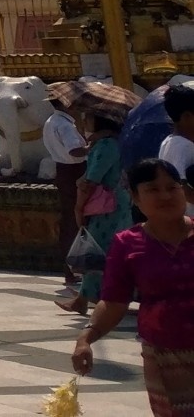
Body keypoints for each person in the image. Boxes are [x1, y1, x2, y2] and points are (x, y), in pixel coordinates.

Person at [75, 157, 194, 411]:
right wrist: (86, 338)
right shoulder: (127, 244)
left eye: (172, 187)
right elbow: (114, 301)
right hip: (165, 356)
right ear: (135, 198)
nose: (165, 196)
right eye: (152, 189)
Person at [66, 112, 130, 316]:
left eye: (88, 118)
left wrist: (79, 207)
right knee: (100, 249)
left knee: (95, 250)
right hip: (116, 203)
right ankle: (84, 297)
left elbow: (91, 180)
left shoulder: (106, 146)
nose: (83, 122)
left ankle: (90, 296)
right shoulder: (108, 143)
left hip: (106, 207)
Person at [47, 101, 90, 293]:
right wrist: (92, 146)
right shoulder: (64, 125)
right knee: (76, 221)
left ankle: (71, 270)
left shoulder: (51, 121)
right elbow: (74, 151)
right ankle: (76, 270)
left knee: (69, 222)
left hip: (63, 171)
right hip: (74, 171)